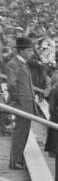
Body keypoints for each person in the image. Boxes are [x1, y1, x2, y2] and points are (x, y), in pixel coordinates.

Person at [5, 36, 36, 171]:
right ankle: (15, 161)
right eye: (29, 50)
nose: (31, 53)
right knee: (19, 133)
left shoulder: (23, 63)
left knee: (24, 133)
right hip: (21, 104)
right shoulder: (13, 64)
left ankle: (18, 158)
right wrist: (18, 100)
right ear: (21, 51)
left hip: (27, 104)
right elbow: (12, 85)